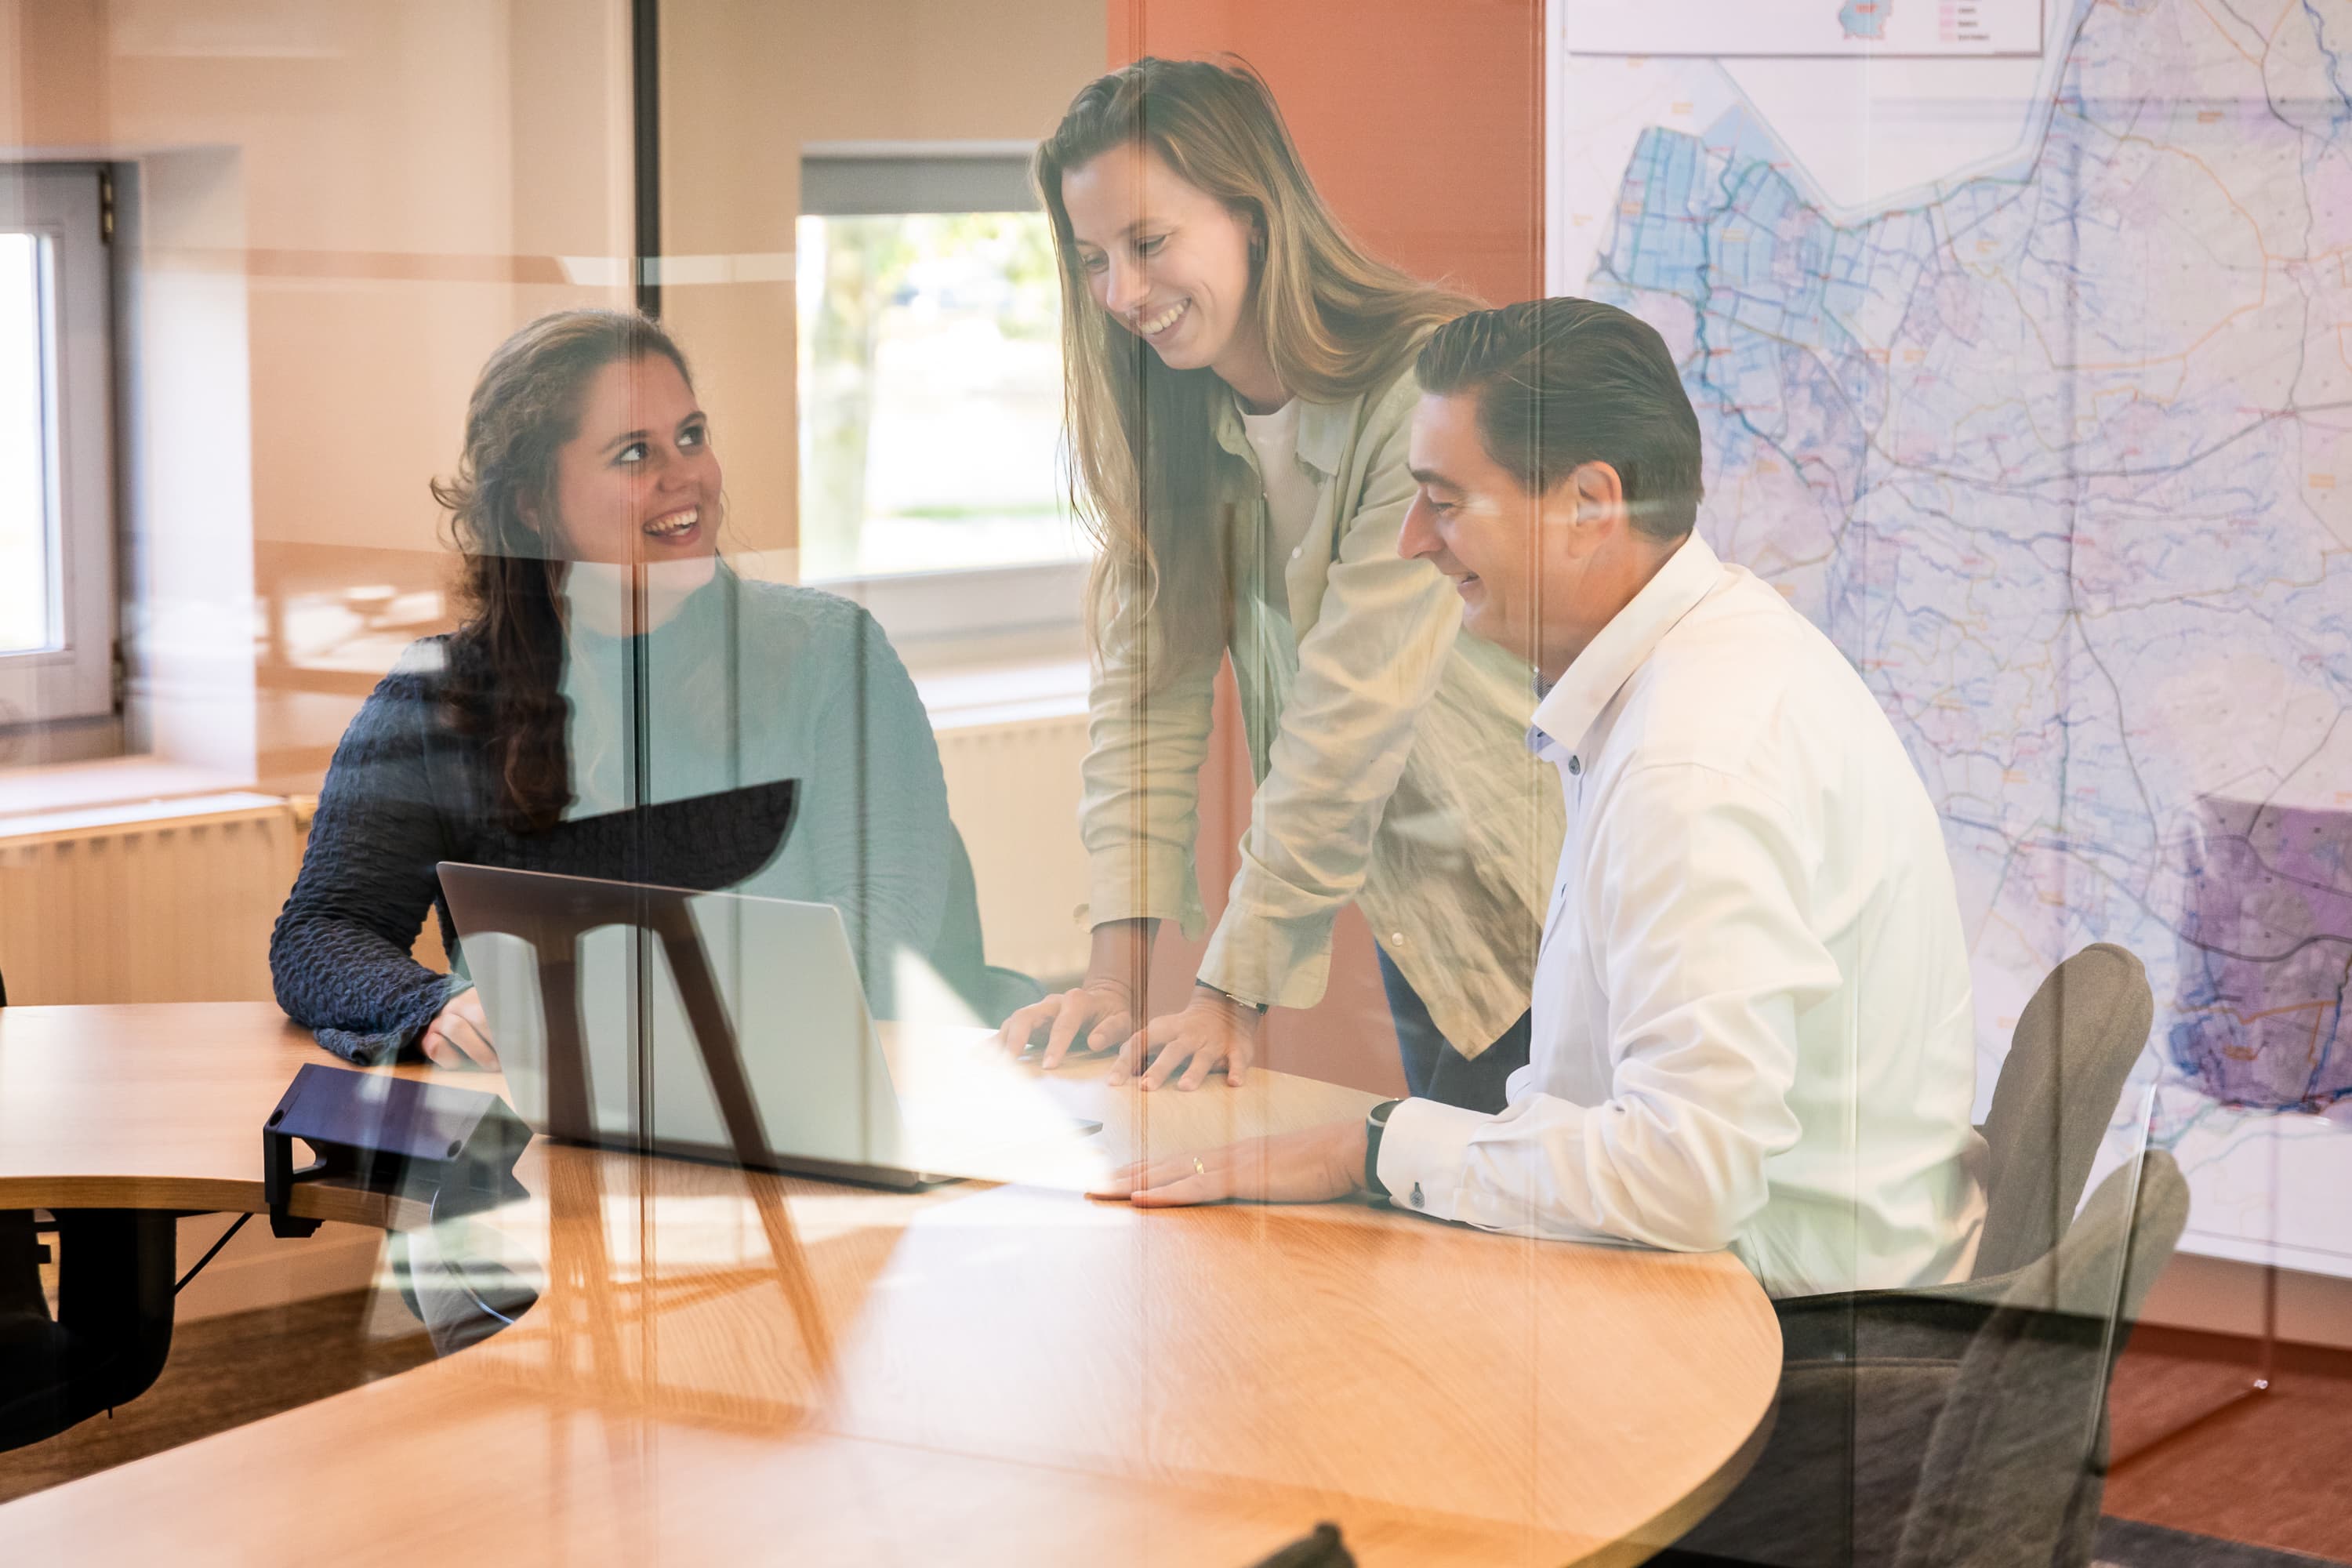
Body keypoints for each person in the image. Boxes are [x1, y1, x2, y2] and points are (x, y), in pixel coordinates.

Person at [1098, 298, 1987, 1301]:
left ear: (1590, 504)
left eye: (1444, 502)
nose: (1411, 541)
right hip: (1760, 1282)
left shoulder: (1689, 767)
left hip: (1787, 1331)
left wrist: (1373, 1146)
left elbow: (1689, 1178)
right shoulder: (1701, 661)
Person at [996, 58, 1564, 1110]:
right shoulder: (1180, 420)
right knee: (1432, 1194)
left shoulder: (1420, 394)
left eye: (1149, 244)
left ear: (1253, 215)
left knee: (1469, 1199)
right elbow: (1144, 708)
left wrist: (1228, 996)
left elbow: (1347, 717)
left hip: (1540, 902)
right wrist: (1113, 981)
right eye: (1093, 260)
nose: (1122, 294)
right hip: (1419, 917)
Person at [272, 308, 1021, 1069]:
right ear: (532, 503)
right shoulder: (440, 699)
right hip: (557, 1111)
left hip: (801, 1086)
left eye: (691, 436)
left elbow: (881, 927)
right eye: (634, 452)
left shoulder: (831, 653)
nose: (685, 474)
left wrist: (638, 1024)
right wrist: (434, 1003)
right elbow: (322, 929)